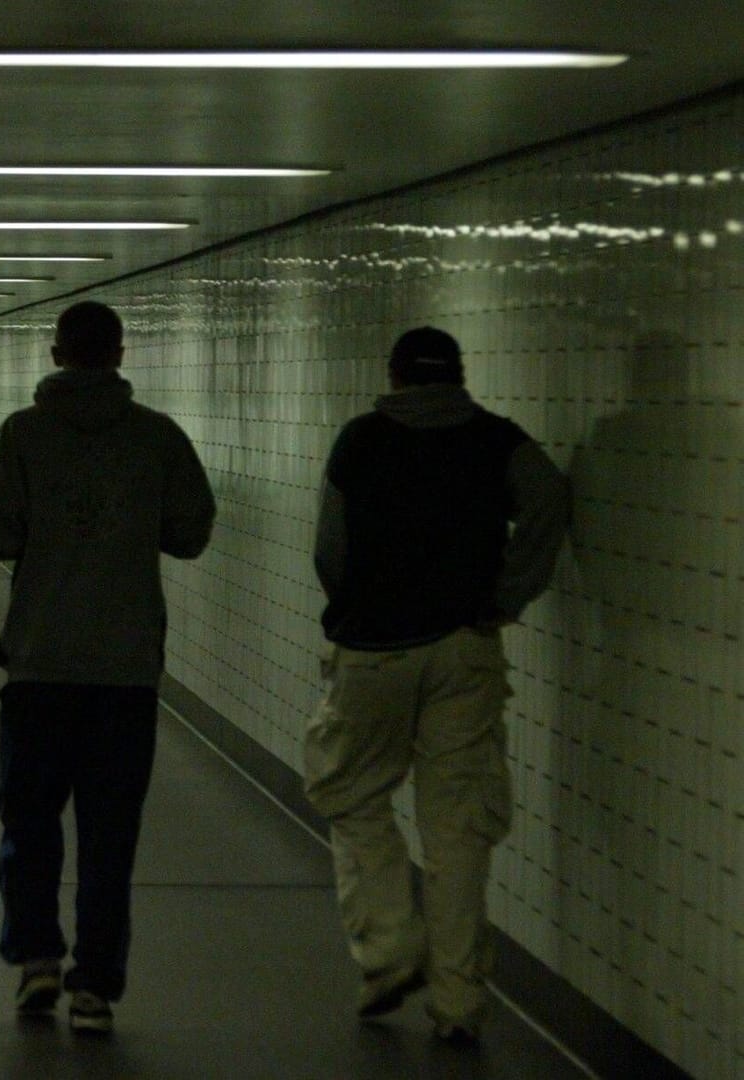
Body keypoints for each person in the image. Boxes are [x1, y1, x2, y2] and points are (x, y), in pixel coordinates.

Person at [304, 327, 568, 1044]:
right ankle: (457, 1003)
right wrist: (506, 596)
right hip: (463, 649)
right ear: (457, 377)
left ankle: (388, 951)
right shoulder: (496, 439)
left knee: (351, 793)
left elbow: (330, 549)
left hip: (373, 652)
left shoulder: (359, 441)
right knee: (457, 829)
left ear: (394, 377)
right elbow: (547, 502)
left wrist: (359, 605)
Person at [0, 300, 216, 1034]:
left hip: (39, 669)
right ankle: (95, 991)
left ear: (55, 355)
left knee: (29, 822)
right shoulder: (157, 439)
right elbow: (191, 533)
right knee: (110, 838)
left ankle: (37, 961)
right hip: (125, 675)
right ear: (120, 354)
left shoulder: (20, 434)